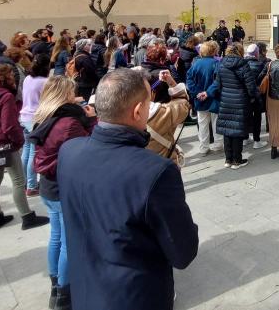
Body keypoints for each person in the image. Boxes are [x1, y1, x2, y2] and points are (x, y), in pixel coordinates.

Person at [58, 68, 199, 309]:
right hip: (133, 296)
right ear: (137, 111)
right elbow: (182, 252)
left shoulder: (69, 150)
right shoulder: (157, 171)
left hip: (85, 290)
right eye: (148, 102)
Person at [30, 76, 96, 308]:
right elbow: (88, 150)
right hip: (63, 187)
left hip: (48, 184)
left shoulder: (43, 116)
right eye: (71, 92)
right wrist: (92, 120)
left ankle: (56, 284)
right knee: (70, 241)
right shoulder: (69, 122)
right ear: (64, 95)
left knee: (56, 236)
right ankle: (65, 294)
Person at [0, 63, 49, 231]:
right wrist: (18, 141)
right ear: (4, 78)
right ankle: (27, 216)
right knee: (18, 180)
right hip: (6, 142)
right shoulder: (5, 96)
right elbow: (9, 125)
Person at [214, 43, 258, 168]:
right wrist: (253, 97)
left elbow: (218, 84)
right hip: (240, 100)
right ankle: (237, 160)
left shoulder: (221, 64)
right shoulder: (243, 64)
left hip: (226, 100)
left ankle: (228, 159)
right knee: (237, 130)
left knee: (227, 130)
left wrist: (221, 97)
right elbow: (251, 85)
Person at [20, 53, 50, 197]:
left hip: (25, 116)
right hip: (36, 118)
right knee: (33, 152)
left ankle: (25, 182)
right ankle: (31, 185)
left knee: (26, 150)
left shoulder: (27, 78)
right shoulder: (45, 82)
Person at [187, 40, 222, 156]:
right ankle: (218, 145)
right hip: (213, 97)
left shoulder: (195, 64)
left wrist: (197, 93)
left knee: (202, 124)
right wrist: (207, 92)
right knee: (215, 122)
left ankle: (203, 147)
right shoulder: (216, 63)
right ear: (214, 51)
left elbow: (189, 81)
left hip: (200, 98)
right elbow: (218, 81)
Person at [244, 43, 269, 151]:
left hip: (245, 95)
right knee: (257, 117)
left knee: (246, 116)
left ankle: (245, 138)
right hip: (257, 95)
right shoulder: (260, 64)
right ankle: (256, 140)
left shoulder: (242, 64)